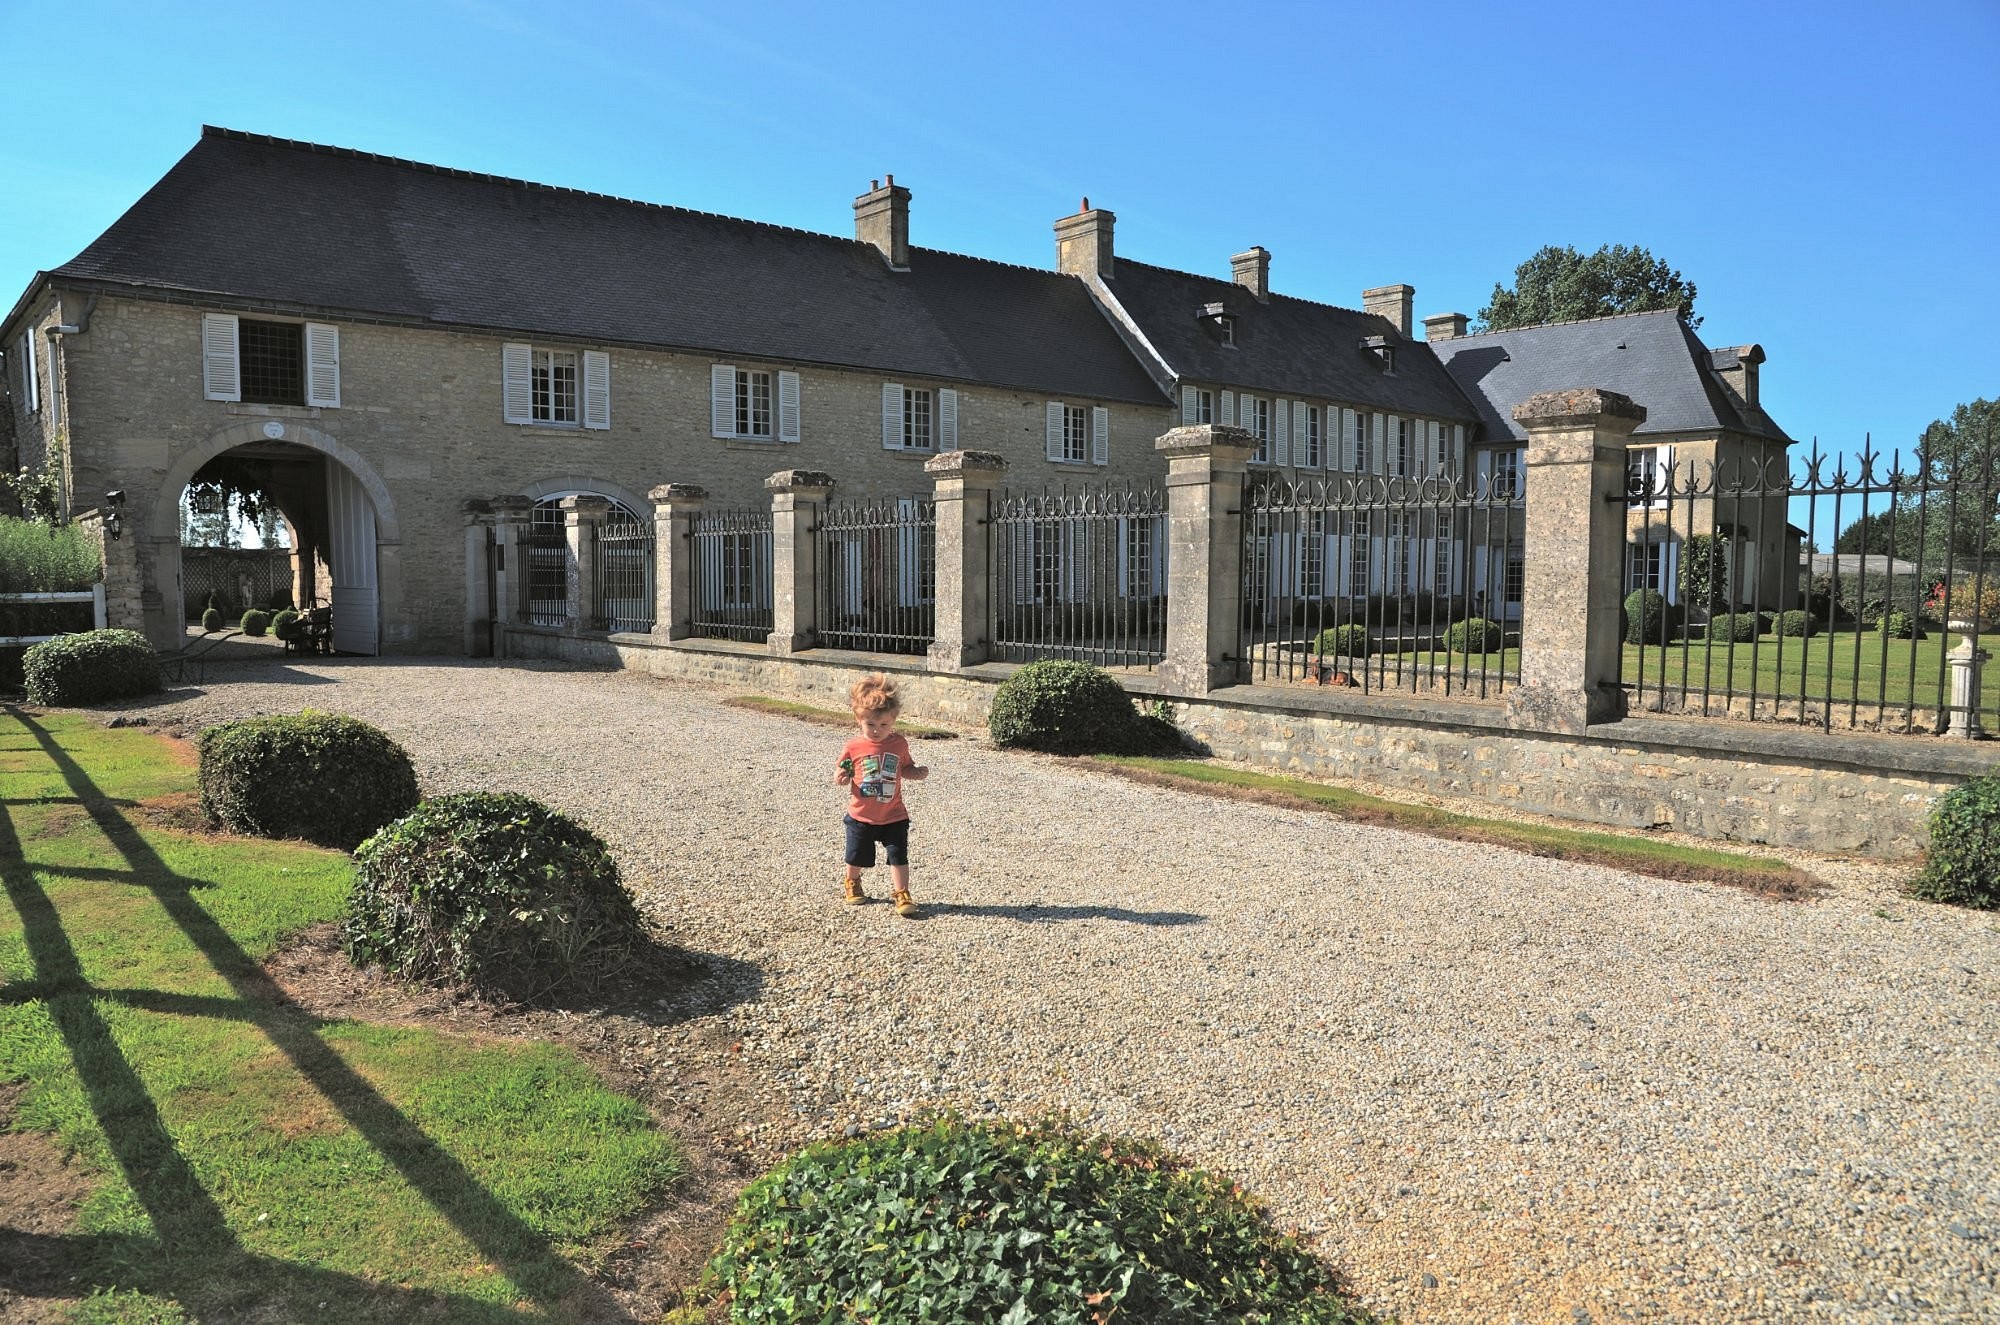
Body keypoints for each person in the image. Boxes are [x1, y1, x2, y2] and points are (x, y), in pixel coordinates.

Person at [834, 674, 928, 918]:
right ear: (859, 719)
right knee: (855, 855)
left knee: (899, 855)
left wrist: (916, 773)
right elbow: (843, 770)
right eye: (870, 725)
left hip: (894, 815)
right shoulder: (853, 746)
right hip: (861, 815)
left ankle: (902, 892)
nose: (877, 730)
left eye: (884, 725)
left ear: (894, 719)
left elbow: (905, 767)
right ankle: (852, 881)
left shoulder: (899, 744)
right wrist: (841, 777)